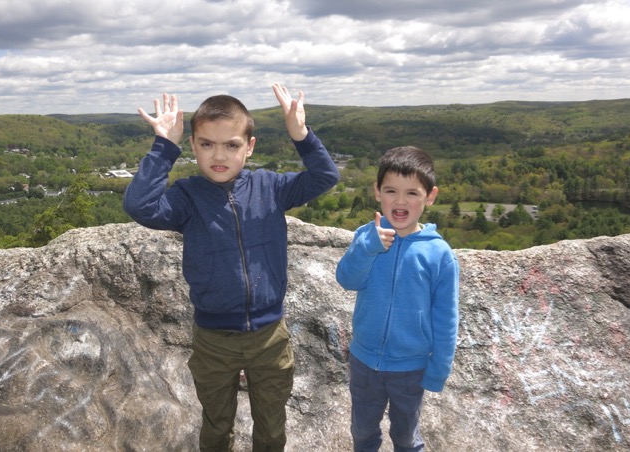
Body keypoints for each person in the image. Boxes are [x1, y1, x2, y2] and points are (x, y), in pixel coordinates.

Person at [123, 84, 339, 451]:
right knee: (216, 425)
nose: (218, 155)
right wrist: (164, 146)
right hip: (213, 339)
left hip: (269, 336)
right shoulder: (187, 197)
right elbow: (140, 206)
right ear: (192, 145)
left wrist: (301, 135)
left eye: (232, 145)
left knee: (271, 427)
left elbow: (325, 177)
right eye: (206, 144)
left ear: (249, 147)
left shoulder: (269, 187)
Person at [335, 146, 459, 452]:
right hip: (365, 361)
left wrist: (439, 369)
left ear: (430, 196)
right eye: (391, 191)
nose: (400, 201)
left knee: (405, 436)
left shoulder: (438, 254)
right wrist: (368, 247)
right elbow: (347, 279)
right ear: (377, 192)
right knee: (362, 431)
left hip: (411, 368)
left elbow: (446, 319)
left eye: (412, 193)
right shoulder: (367, 236)